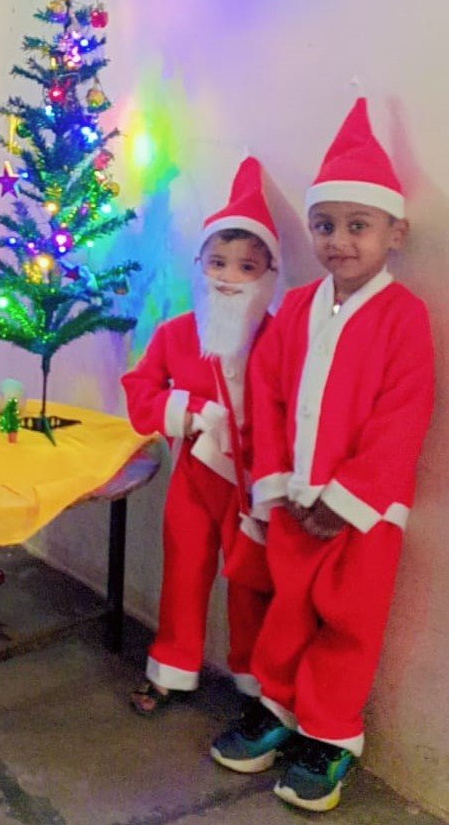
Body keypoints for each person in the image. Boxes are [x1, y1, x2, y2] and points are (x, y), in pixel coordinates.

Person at [210, 99, 435, 813]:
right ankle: (276, 708)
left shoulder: (404, 318)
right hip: (292, 503)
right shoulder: (299, 309)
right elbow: (269, 397)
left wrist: (345, 499)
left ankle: (329, 735)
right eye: (324, 225)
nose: (338, 241)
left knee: (347, 623)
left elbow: (403, 416)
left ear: (394, 232)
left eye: (356, 225)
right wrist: (277, 484)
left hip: (361, 516)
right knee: (287, 610)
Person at [121, 156, 280, 716]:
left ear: (267, 275)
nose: (228, 277)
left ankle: (255, 683)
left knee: (251, 584)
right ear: (200, 266)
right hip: (192, 476)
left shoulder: (279, 338)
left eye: (245, 266)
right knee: (183, 574)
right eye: (217, 262)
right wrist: (189, 413)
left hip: (250, 485)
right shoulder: (175, 333)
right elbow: (140, 391)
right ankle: (170, 669)